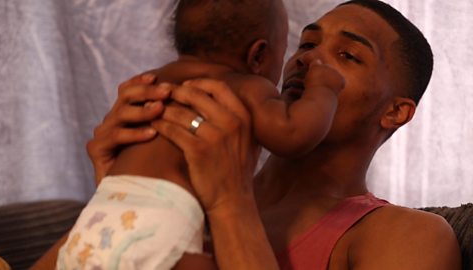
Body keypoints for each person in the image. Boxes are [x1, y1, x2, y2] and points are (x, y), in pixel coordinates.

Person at [33, 0, 462, 269]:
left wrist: (229, 205)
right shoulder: (183, 195)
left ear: (395, 111)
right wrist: (123, 191)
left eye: (347, 55)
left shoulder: (406, 234)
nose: (309, 61)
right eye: (306, 44)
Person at [55, 0, 344, 269]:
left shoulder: (154, 81)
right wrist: (324, 89)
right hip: (158, 228)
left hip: (94, 224)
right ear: (258, 55)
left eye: (346, 55)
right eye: (296, 47)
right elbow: (293, 133)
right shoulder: (246, 86)